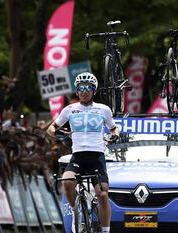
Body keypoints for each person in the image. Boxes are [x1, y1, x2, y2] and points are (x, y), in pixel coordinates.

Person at [46, 72, 119, 233]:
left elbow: (114, 128)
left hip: (96, 157)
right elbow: (51, 128)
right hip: (78, 156)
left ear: (94, 91)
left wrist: (114, 135)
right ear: (77, 91)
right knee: (67, 182)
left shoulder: (103, 109)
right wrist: (58, 134)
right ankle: (75, 211)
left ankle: (105, 231)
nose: (84, 91)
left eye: (88, 88)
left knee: (103, 196)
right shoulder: (70, 109)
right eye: (81, 88)